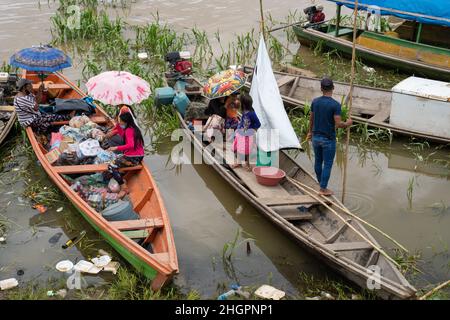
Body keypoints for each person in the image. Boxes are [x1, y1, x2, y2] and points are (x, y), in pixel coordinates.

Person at [306, 78, 352, 196]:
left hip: (316, 137)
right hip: (328, 139)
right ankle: (323, 188)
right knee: (327, 164)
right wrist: (347, 123)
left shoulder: (315, 102)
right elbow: (338, 124)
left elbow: (311, 119)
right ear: (333, 88)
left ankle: (321, 185)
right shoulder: (335, 105)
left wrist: (310, 132)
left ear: (321, 89)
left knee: (318, 161)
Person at [105, 108, 145, 196]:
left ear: (126, 122)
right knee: (118, 158)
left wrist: (115, 148)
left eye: (121, 121)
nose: (120, 123)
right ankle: (121, 174)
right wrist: (118, 126)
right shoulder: (133, 128)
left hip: (133, 158)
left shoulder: (129, 131)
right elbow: (123, 136)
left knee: (111, 166)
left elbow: (130, 145)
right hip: (139, 155)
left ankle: (123, 187)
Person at [232, 94, 261, 171]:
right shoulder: (244, 111)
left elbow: (258, 124)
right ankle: (238, 162)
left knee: (247, 150)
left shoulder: (252, 113)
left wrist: (252, 130)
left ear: (244, 104)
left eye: (240, 101)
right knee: (238, 148)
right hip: (241, 133)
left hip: (248, 135)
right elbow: (242, 122)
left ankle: (248, 164)